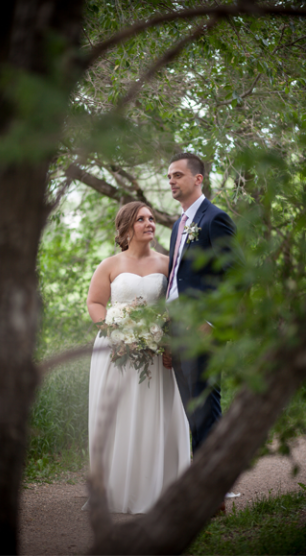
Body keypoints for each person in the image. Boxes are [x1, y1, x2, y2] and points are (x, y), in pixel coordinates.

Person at [84, 201, 191, 514]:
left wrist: (170, 341)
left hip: (157, 353)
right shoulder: (110, 265)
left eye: (152, 218)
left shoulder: (167, 263)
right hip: (116, 352)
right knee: (121, 416)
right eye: (141, 219)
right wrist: (114, 330)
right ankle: (119, 490)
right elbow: (94, 303)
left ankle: (162, 486)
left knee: (156, 413)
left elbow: (178, 308)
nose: (149, 223)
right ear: (127, 227)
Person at [163, 152, 237, 512]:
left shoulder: (215, 219)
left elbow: (234, 277)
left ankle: (215, 493)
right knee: (191, 412)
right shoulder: (178, 225)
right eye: (168, 177)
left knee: (207, 408)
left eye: (177, 175)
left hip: (203, 330)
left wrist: (213, 324)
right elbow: (177, 279)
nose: (171, 181)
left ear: (198, 179)